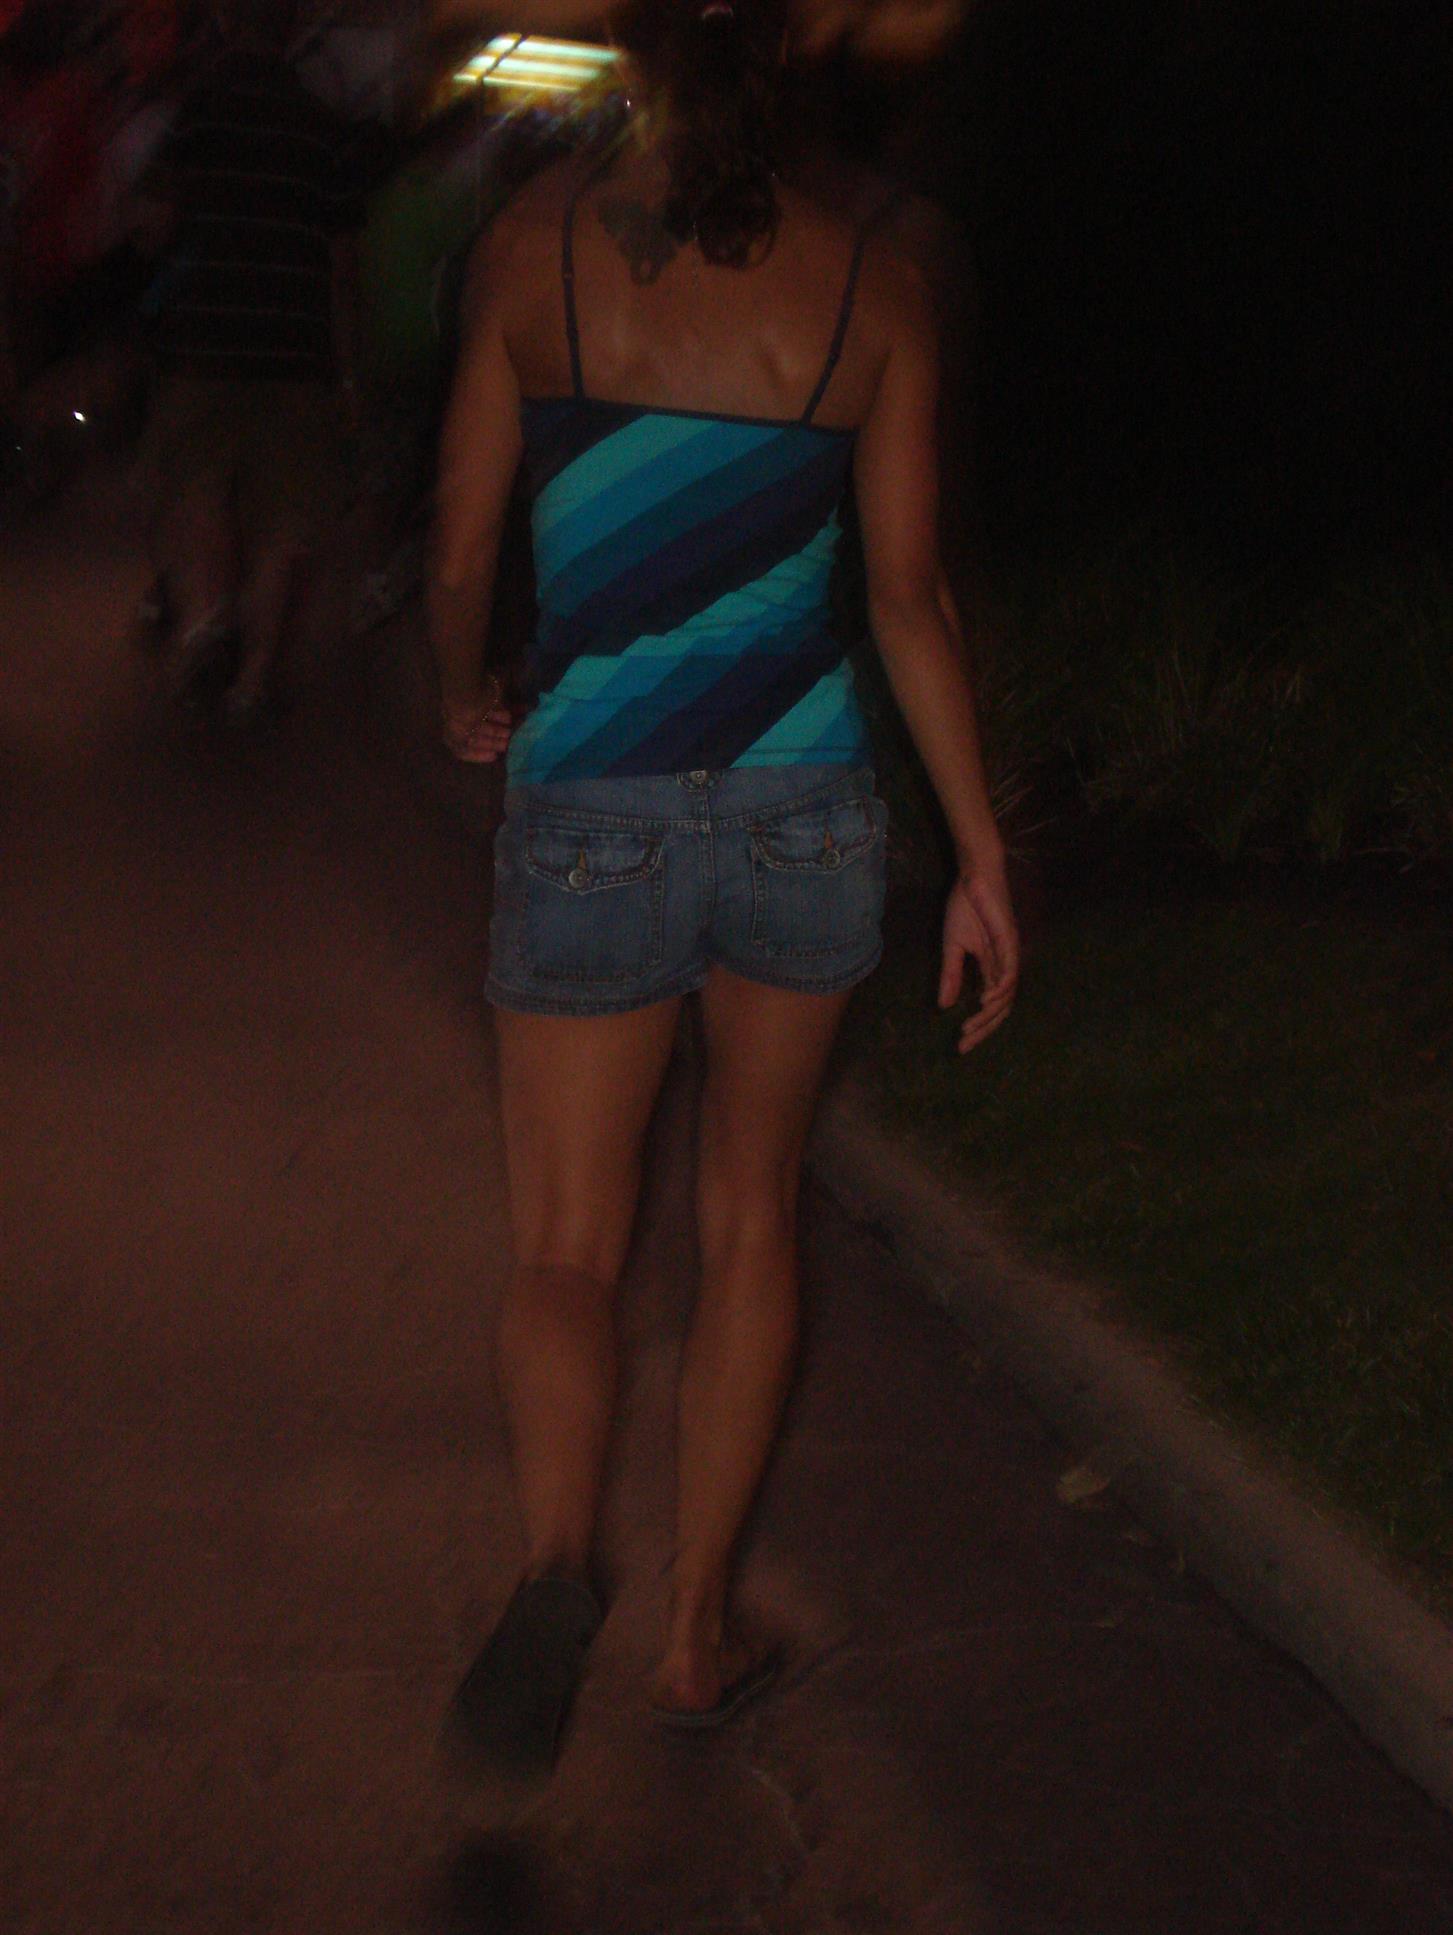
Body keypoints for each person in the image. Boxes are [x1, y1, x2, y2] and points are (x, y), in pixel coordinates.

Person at [429, 0, 1019, 1774]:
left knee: (565, 1242)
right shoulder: (871, 288)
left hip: (594, 792)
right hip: (799, 808)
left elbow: (464, 545)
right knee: (751, 1212)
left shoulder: (530, 252)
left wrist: (464, 688)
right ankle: (696, 1637)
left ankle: (559, 1562)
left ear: (634, 67)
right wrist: (979, 856)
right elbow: (905, 600)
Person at [137, 0, 361, 722]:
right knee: (281, 522)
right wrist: (345, 366)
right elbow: (340, 260)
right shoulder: (321, 124)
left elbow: (157, 218)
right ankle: (253, 681)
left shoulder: (202, 108)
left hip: (205, 338)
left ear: (232, 26)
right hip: (296, 349)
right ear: (291, 34)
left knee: (196, 484)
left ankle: (206, 619)